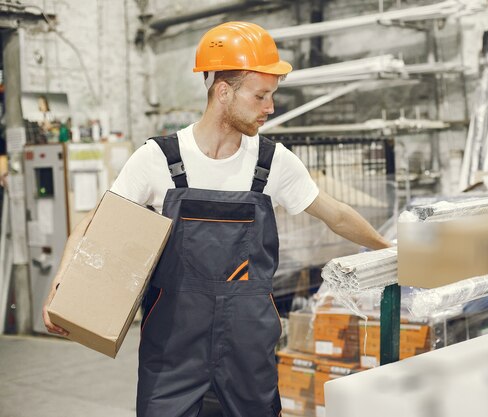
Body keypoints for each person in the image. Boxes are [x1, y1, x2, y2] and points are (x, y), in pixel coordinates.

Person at [43, 21, 390, 417]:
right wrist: (62, 283)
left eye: (272, 96)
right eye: (261, 96)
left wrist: (389, 250)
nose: (270, 108)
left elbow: (338, 215)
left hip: (248, 350)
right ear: (224, 92)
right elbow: (95, 225)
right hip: (173, 351)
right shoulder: (159, 159)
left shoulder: (272, 162)